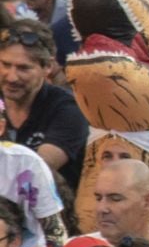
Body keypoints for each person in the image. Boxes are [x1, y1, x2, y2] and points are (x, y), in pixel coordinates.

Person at [0, 20, 86, 185]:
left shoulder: (68, 110)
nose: (11, 77)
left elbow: (35, 171)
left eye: (23, 68)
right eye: (5, 64)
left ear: (48, 67)